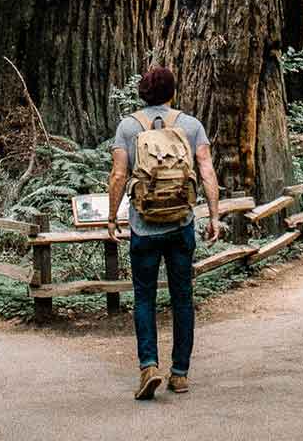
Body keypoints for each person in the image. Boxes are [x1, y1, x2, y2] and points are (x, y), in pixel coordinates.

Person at [106, 66, 222, 401]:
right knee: (182, 298)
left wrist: (113, 218)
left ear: (142, 92)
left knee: (144, 298)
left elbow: (118, 174)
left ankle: (148, 366)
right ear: (173, 92)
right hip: (181, 225)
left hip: (144, 227)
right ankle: (181, 374)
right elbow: (206, 169)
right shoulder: (190, 125)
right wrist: (214, 215)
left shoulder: (129, 126)